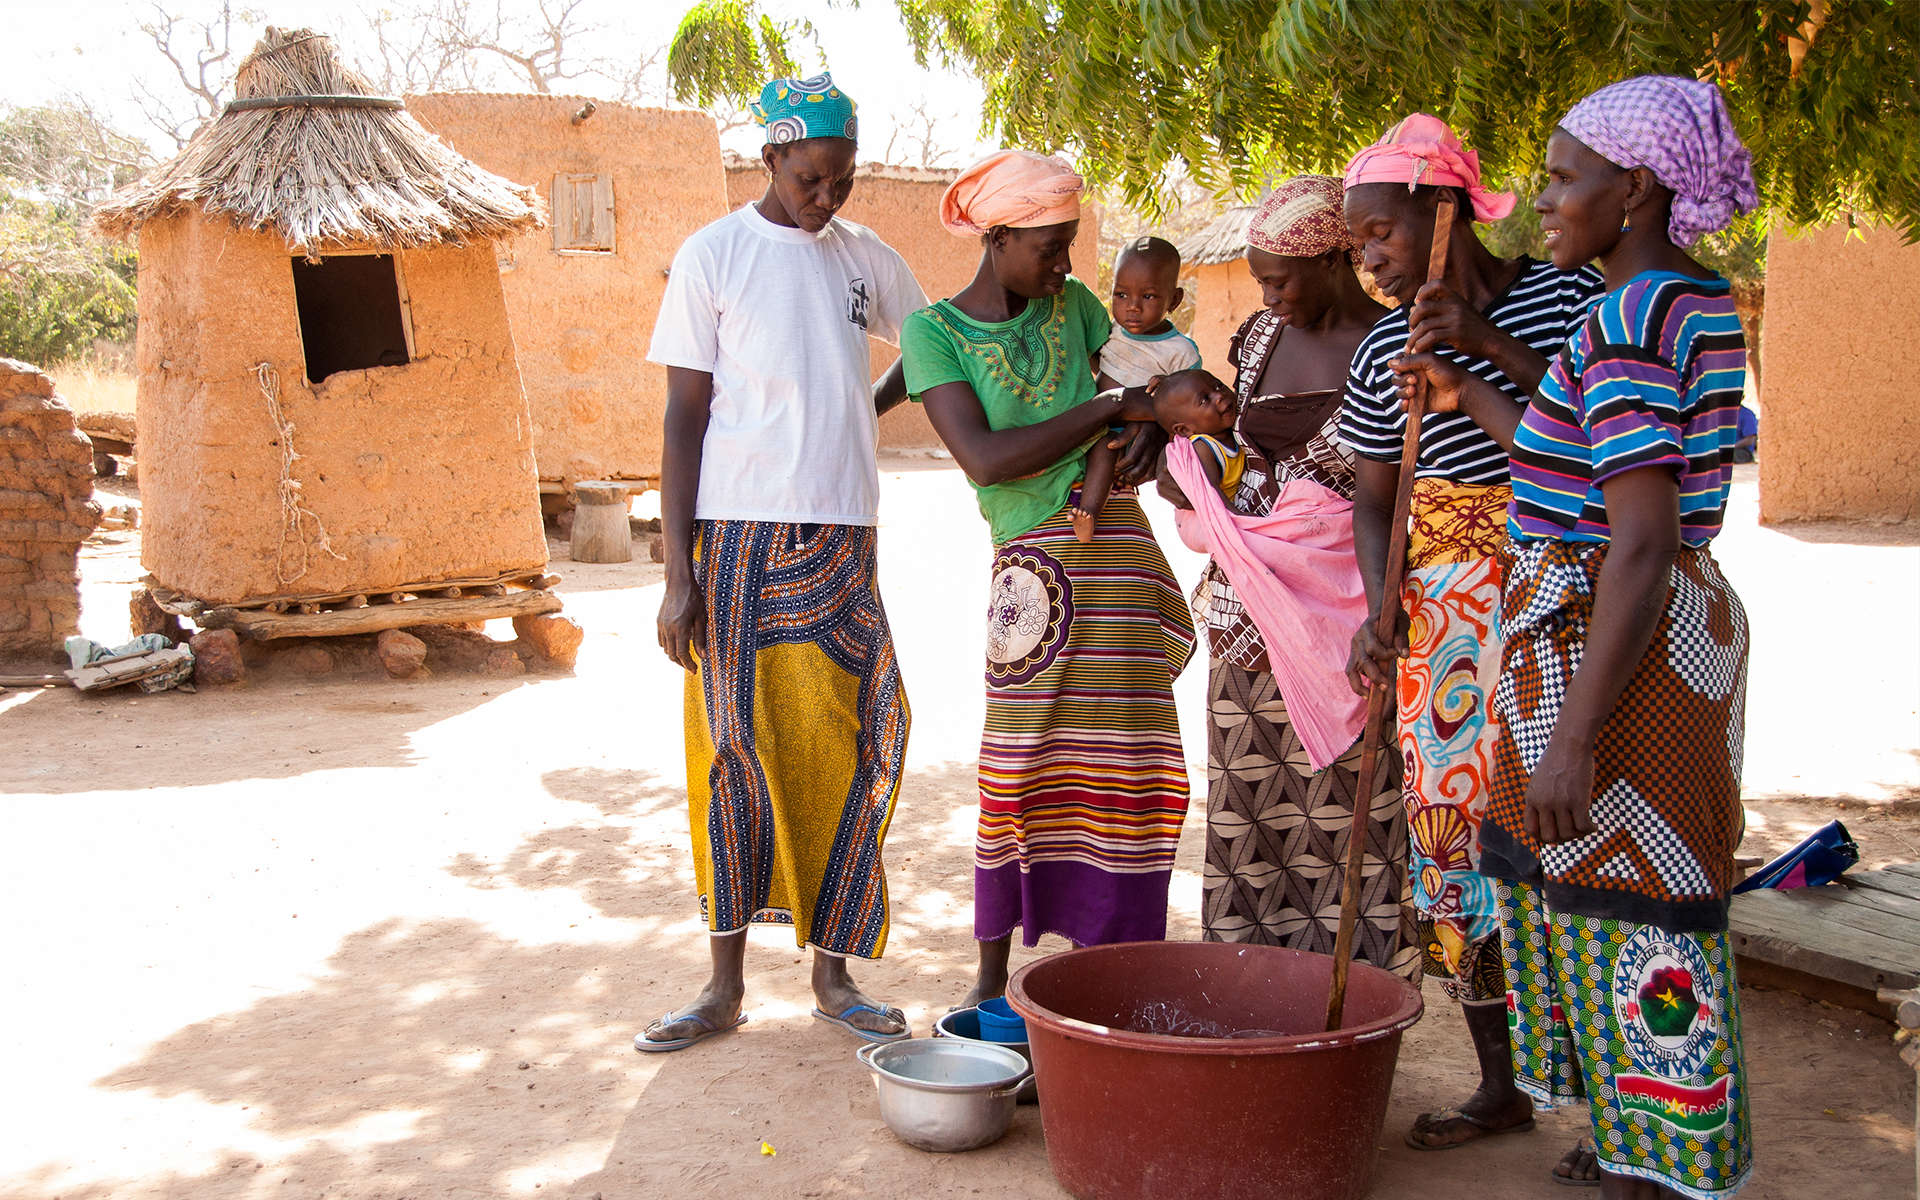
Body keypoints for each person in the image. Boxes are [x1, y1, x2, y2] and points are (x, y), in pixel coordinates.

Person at [1392, 72, 1759, 1200]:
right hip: (1642, 622)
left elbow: (1637, 536)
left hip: (1614, 635)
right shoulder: (1689, 302)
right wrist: (1465, 393)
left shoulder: (1631, 313)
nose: (1542, 200)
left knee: (1635, 888)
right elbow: (1593, 475)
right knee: (1609, 878)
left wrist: (1576, 733)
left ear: (1636, 187)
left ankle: (1659, 1162)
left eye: (1562, 177)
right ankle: (1637, 1139)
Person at [640, 73, 928, 1051]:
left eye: (841, 179)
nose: (827, 196)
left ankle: (834, 975)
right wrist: (678, 572)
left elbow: (932, 348)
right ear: (770, 159)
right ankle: (723, 986)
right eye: (810, 177)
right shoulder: (713, 256)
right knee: (731, 750)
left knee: (857, 737)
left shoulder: (863, 258)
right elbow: (683, 417)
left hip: (844, 533)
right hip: (736, 535)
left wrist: (862, 409)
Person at [1340, 115, 1606, 1152]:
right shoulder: (1380, 347)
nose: (1366, 255)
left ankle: (1604, 1112)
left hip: (1561, 592)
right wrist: (1379, 604)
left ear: (1445, 210)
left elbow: (1597, 434)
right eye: (1354, 242)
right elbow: (1375, 498)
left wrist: (1478, 349)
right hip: (1444, 612)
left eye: (1379, 232)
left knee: (1566, 837)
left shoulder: (1570, 298)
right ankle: (1503, 1084)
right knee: (1452, 843)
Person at [898, 149, 1194, 1004]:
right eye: (1049, 247)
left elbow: (1145, 400)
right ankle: (992, 985)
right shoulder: (936, 334)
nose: (1064, 266)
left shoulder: (1076, 305)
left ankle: (1120, 974)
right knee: (1019, 766)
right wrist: (1112, 412)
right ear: (995, 238)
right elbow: (989, 461)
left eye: (1068, 245)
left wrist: (1138, 429)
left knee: (1130, 769)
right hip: (1033, 578)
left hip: (1120, 556)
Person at [1155, 175, 1412, 968]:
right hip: (1246, 625)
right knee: (1251, 821)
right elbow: (1211, 455)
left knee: (1352, 816)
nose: (1268, 295)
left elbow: (1400, 487)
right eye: (1260, 279)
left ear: (1336, 257)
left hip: (1347, 620)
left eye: (1279, 278)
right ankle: (1254, 992)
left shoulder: (1397, 350)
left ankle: (1352, 1002)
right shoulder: (1260, 342)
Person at [1075, 237, 1202, 540]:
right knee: (1098, 444)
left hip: (1135, 440)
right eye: (1121, 295)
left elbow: (1190, 401)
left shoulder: (1180, 351)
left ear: (1174, 300)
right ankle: (1088, 512)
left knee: (1108, 450)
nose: (1132, 306)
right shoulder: (1112, 333)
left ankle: (1090, 510)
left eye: (1148, 296)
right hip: (1099, 425)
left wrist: (1166, 390)